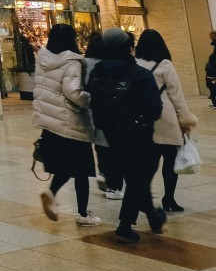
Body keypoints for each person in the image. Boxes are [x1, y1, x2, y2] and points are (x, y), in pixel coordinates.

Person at [84, 27, 165, 243]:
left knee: (134, 177)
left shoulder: (97, 72)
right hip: (138, 133)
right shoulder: (138, 73)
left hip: (110, 133)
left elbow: (92, 99)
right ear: (128, 48)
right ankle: (125, 224)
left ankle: (153, 215)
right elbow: (155, 107)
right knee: (139, 177)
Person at [33, 23, 100, 227]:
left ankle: (51, 193)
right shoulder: (72, 60)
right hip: (70, 121)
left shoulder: (43, 58)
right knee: (81, 169)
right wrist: (90, 99)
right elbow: (73, 92)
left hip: (50, 123)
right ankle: (82, 213)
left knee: (66, 165)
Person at [135, 29, 197, 213]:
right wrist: (185, 119)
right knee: (170, 162)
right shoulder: (165, 65)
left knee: (148, 163)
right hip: (166, 116)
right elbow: (175, 94)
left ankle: (143, 197)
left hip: (144, 117)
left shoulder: (135, 63)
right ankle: (168, 198)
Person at [83, 32, 122, 199]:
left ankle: (104, 172)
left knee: (100, 144)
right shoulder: (110, 64)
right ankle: (113, 182)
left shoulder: (82, 64)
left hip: (89, 109)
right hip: (109, 110)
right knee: (111, 145)